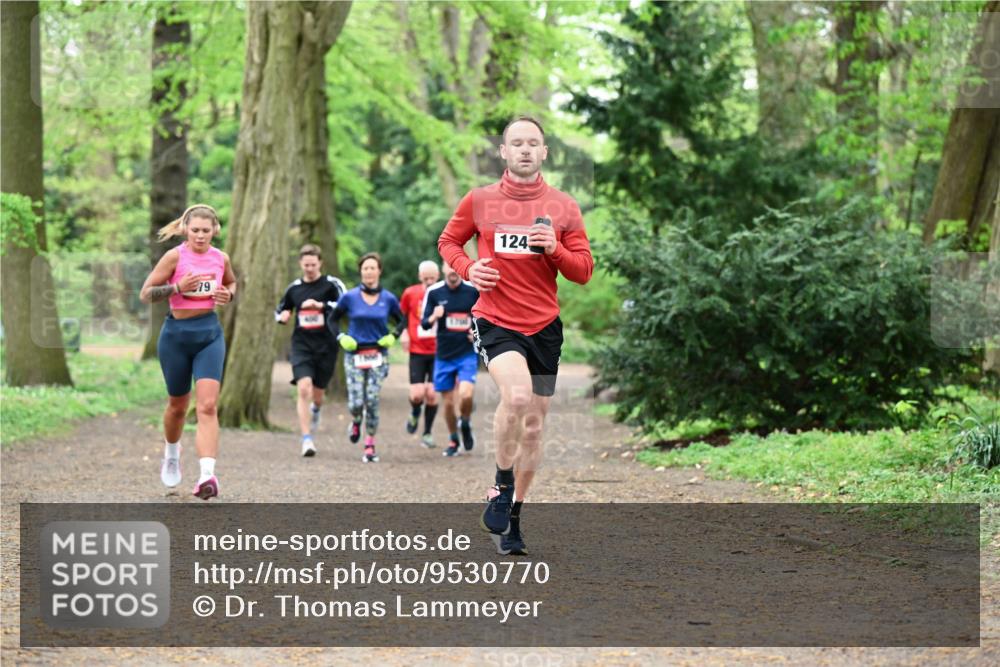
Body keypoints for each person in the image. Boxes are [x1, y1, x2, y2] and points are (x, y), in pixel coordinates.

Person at [438, 116, 593, 554]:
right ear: (503, 152)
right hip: (496, 319)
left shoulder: (564, 206)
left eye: (533, 144)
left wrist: (554, 248)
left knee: (533, 427)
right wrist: (470, 269)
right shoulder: (481, 200)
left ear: (544, 152)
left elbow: (582, 271)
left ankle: (514, 518)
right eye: (516, 143)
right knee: (518, 397)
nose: (525, 150)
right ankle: (500, 484)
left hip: (545, 326)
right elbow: (448, 241)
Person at [140, 204, 236, 500]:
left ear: (215, 231)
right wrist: (177, 287)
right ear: (185, 229)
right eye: (195, 230)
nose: (200, 236)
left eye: (206, 231)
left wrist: (228, 294)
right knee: (178, 407)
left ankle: (207, 476)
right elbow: (146, 294)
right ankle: (171, 452)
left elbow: (231, 282)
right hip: (176, 337)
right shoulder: (174, 257)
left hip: (209, 334)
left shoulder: (221, 258)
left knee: (207, 406)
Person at [275, 244, 347, 457]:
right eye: (306, 265)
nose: (309, 268)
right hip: (301, 344)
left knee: (317, 394)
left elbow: (345, 305)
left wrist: (321, 306)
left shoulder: (332, 284)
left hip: (326, 345)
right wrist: (283, 317)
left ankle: (316, 410)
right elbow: (280, 309)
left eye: (313, 265)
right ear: (300, 264)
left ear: (320, 263)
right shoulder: (294, 288)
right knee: (304, 388)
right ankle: (307, 439)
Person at [332, 252, 405, 463]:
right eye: (365, 268)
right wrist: (341, 337)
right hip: (354, 354)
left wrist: (393, 336)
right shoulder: (350, 297)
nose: (369, 272)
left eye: (373, 268)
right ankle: (356, 420)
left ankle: (370, 444)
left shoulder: (388, 298)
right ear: (361, 272)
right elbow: (332, 320)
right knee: (356, 402)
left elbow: (401, 321)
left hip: (377, 355)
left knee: (372, 400)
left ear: (379, 271)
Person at [420, 261, 480, 457]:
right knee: (447, 403)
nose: (453, 270)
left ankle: (465, 421)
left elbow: (486, 316)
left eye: (457, 266)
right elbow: (424, 324)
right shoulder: (434, 292)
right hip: (444, 355)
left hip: (466, 353)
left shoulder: (473, 290)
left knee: (466, 394)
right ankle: (454, 439)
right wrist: (434, 317)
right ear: (443, 268)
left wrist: (477, 332)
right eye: (450, 266)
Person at [399, 260, 441, 448]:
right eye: (426, 278)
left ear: (438, 277)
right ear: (419, 277)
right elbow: (402, 317)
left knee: (431, 394)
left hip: (438, 350)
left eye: (432, 278)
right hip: (417, 348)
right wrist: (404, 333)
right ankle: (415, 411)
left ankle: (427, 433)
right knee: (417, 394)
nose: (429, 281)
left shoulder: (444, 292)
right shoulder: (410, 293)